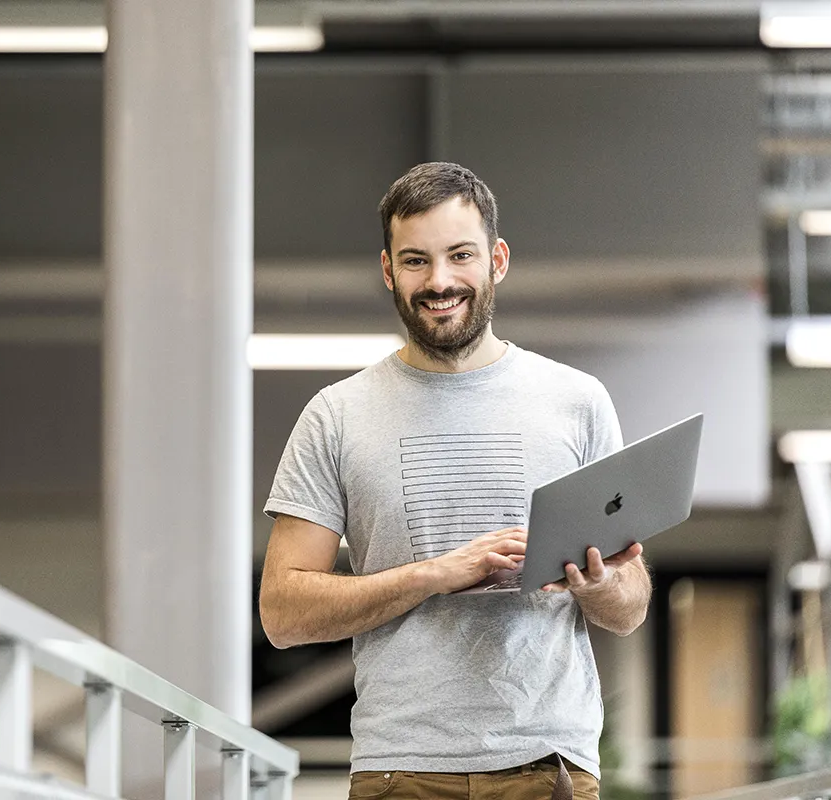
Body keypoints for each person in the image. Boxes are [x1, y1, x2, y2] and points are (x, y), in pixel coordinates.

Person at [258, 162, 651, 800]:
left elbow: (631, 606)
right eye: (415, 260)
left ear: (496, 260)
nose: (439, 281)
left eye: (459, 255)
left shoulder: (577, 402)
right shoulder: (336, 414)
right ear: (388, 270)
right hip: (400, 767)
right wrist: (433, 574)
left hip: (548, 763)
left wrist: (599, 581)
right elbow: (283, 613)